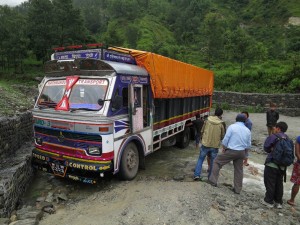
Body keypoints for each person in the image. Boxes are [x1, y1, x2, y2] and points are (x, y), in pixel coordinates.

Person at [208, 114, 251, 194]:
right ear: (244, 121)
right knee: (239, 170)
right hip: (241, 152)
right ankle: (237, 190)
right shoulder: (247, 130)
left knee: (217, 162)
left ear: (236, 119)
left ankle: (212, 181)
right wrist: (246, 156)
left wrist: (224, 148)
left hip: (231, 150)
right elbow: (248, 145)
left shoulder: (232, 127)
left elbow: (225, 139)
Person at [261, 121, 289, 209]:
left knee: (270, 182)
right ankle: (279, 202)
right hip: (283, 166)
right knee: (279, 183)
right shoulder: (288, 139)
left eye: (276, 128)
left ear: (278, 128)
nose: (274, 129)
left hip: (272, 163)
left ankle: (268, 201)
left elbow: (266, 148)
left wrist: (272, 149)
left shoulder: (274, 136)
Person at [193, 108, 225, 181]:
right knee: (213, 162)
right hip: (215, 146)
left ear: (214, 113)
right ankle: (210, 178)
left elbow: (202, 130)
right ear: (221, 115)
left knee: (200, 159)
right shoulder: (221, 123)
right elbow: (223, 136)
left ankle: (196, 175)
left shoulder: (207, 120)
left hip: (205, 144)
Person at [287, 135, 300, 206]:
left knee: (297, 183)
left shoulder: (299, 138)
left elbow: (297, 153)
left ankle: (292, 200)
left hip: (299, 164)